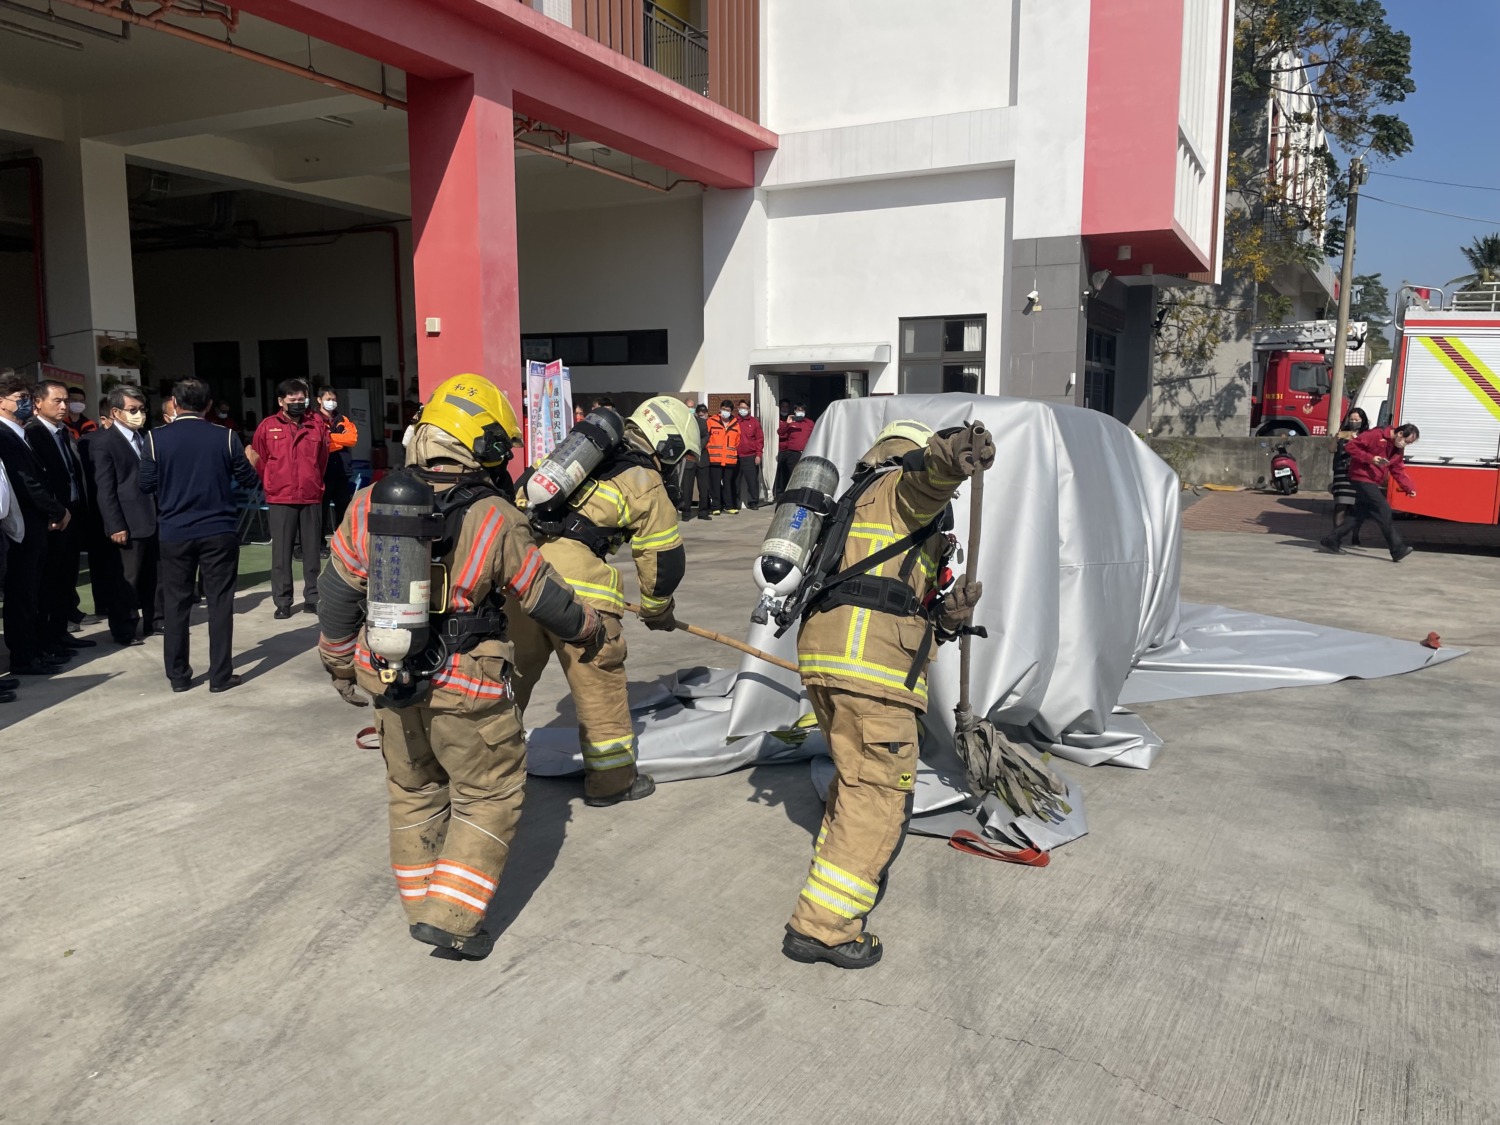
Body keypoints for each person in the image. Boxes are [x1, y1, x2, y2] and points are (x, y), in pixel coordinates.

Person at [317, 373, 609, 960]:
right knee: (488, 793)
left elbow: (338, 588)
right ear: (484, 448)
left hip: (388, 672)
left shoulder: (370, 501)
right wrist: (588, 627)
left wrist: (339, 660)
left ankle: (421, 905)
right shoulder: (497, 515)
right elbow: (540, 595)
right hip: (466, 684)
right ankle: (453, 920)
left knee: (413, 786)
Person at [782, 420, 991, 969]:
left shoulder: (855, 496)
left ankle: (840, 870)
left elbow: (887, 593)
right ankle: (823, 928)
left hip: (827, 659)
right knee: (879, 793)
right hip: (870, 670)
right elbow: (930, 478)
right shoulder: (901, 486)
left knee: (855, 777)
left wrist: (947, 614)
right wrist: (952, 454)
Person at [510, 396, 698, 806]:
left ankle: (487, 774)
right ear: (666, 446)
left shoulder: (576, 461)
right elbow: (661, 559)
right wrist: (657, 610)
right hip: (580, 593)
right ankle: (612, 783)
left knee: (506, 681)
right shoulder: (645, 481)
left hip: (521, 578)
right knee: (600, 684)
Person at [139, 377, 260, 693]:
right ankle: (220, 675)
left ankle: (178, 676)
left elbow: (145, 484)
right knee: (220, 602)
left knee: (176, 603)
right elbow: (248, 479)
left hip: (175, 530)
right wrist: (252, 460)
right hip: (218, 529)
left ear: (175, 405)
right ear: (208, 405)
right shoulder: (226, 437)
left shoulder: (155, 438)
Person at [0, 370, 67, 676]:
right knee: (21, 595)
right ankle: (24, 657)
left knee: (34, 593)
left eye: (27, 397)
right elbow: (26, 483)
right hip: (20, 528)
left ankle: (35, 649)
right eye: (20, 398)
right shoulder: (4, 435)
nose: (26, 403)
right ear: (2, 402)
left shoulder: (19, 432)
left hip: (35, 526)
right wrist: (57, 510)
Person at [25, 379, 95, 659]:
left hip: (72, 513)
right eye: (58, 400)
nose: (64, 406)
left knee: (66, 577)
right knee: (50, 581)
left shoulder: (62, 432)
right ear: (38, 403)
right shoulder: (33, 433)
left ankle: (61, 632)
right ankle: (47, 639)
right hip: (53, 518)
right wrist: (54, 511)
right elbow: (39, 480)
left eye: (66, 400)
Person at [249, 378, 329, 619]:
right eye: (292, 400)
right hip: (280, 496)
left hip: (310, 494)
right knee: (281, 552)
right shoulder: (267, 426)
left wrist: (312, 479)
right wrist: (274, 480)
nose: (297, 404)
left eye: (301, 400)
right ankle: (283, 601)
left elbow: (322, 459)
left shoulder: (316, 425)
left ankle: (312, 597)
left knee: (312, 550)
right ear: (281, 401)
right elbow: (259, 458)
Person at [90, 386, 159, 646]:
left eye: (141, 409)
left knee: (153, 573)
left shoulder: (144, 437)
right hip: (127, 521)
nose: (138, 414)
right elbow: (105, 489)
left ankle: (155, 620)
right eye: (132, 410)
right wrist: (115, 524)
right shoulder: (104, 443)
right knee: (126, 579)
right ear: (116, 412)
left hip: (151, 515)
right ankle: (124, 628)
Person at [1321, 422, 1420, 562]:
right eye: (1407, 441)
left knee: (1359, 515)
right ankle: (1397, 548)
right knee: (1383, 509)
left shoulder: (1397, 449)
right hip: (1361, 477)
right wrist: (1371, 459)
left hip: (1373, 481)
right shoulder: (1376, 435)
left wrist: (1409, 488)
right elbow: (1350, 446)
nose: (1405, 445)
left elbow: (1397, 469)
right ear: (1400, 434)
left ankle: (1332, 540)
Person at [316, 385, 359, 537]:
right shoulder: (314, 420)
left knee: (343, 509)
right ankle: (320, 543)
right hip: (322, 471)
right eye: (328, 399)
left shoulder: (343, 419)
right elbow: (318, 441)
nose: (331, 402)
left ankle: (343, 543)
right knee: (321, 509)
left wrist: (331, 439)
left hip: (342, 470)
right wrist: (340, 441)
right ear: (319, 400)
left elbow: (352, 439)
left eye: (333, 399)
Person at [1329, 407, 1370, 546]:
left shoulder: (1366, 434)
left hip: (1358, 472)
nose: (1353, 422)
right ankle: (1336, 536)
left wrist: (1356, 440)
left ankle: (1355, 535)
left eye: (1356, 420)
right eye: (1351, 419)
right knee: (1341, 504)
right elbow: (1331, 449)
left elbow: (1368, 451)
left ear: (1362, 420)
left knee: (1356, 506)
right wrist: (1336, 438)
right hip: (1342, 472)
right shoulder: (1343, 432)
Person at [706, 400, 741, 514]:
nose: (725, 412)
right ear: (720, 409)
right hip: (715, 458)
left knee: (728, 483)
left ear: (731, 412)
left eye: (728, 410)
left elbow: (737, 441)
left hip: (730, 459)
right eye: (724, 409)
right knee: (715, 483)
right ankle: (715, 507)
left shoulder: (735, 424)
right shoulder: (711, 421)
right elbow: (706, 438)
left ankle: (729, 506)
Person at [775, 403, 814, 499]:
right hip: (793, 453)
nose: (800, 412)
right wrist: (787, 424)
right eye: (798, 410)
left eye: (802, 410)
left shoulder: (810, 423)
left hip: (806, 453)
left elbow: (816, 435)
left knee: (805, 474)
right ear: (795, 411)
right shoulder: (791, 422)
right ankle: (791, 495)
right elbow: (780, 433)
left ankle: (803, 495)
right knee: (792, 475)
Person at [734, 399, 765, 510]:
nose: (743, 410)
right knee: (735, 482)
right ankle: (735, 503)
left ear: (749, 409)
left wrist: (758, 454)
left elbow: (759, 439)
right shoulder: (733, 421)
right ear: (738, 408)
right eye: (741, 408)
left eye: (745, 408)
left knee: (752, 481)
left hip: (750, 456)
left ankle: (753, 502)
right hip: (735, 456)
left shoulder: (754, 422)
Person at [692, 403, 713, 521]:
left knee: (704, 488)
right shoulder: (686, 423)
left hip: (704, 457)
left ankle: (704, 512)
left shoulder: (707, 423)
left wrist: (699, 446)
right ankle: (685, 512)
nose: (702, 416)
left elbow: (706, 436)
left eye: (704, 414)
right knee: (687, 487)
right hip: (690, 458)